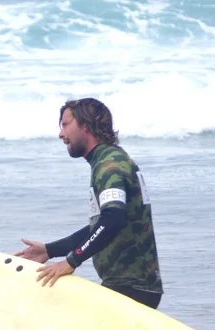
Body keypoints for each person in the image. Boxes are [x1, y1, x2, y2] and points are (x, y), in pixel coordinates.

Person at [15, 98, 164, 309]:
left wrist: (71, 261)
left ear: (85, 125)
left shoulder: (109, 165)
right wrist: (50, 250)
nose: (60, 134)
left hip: (130, 287)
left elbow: (112, 220)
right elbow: (102, 226)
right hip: (131, 286)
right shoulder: (110, 159)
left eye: (65, 125)